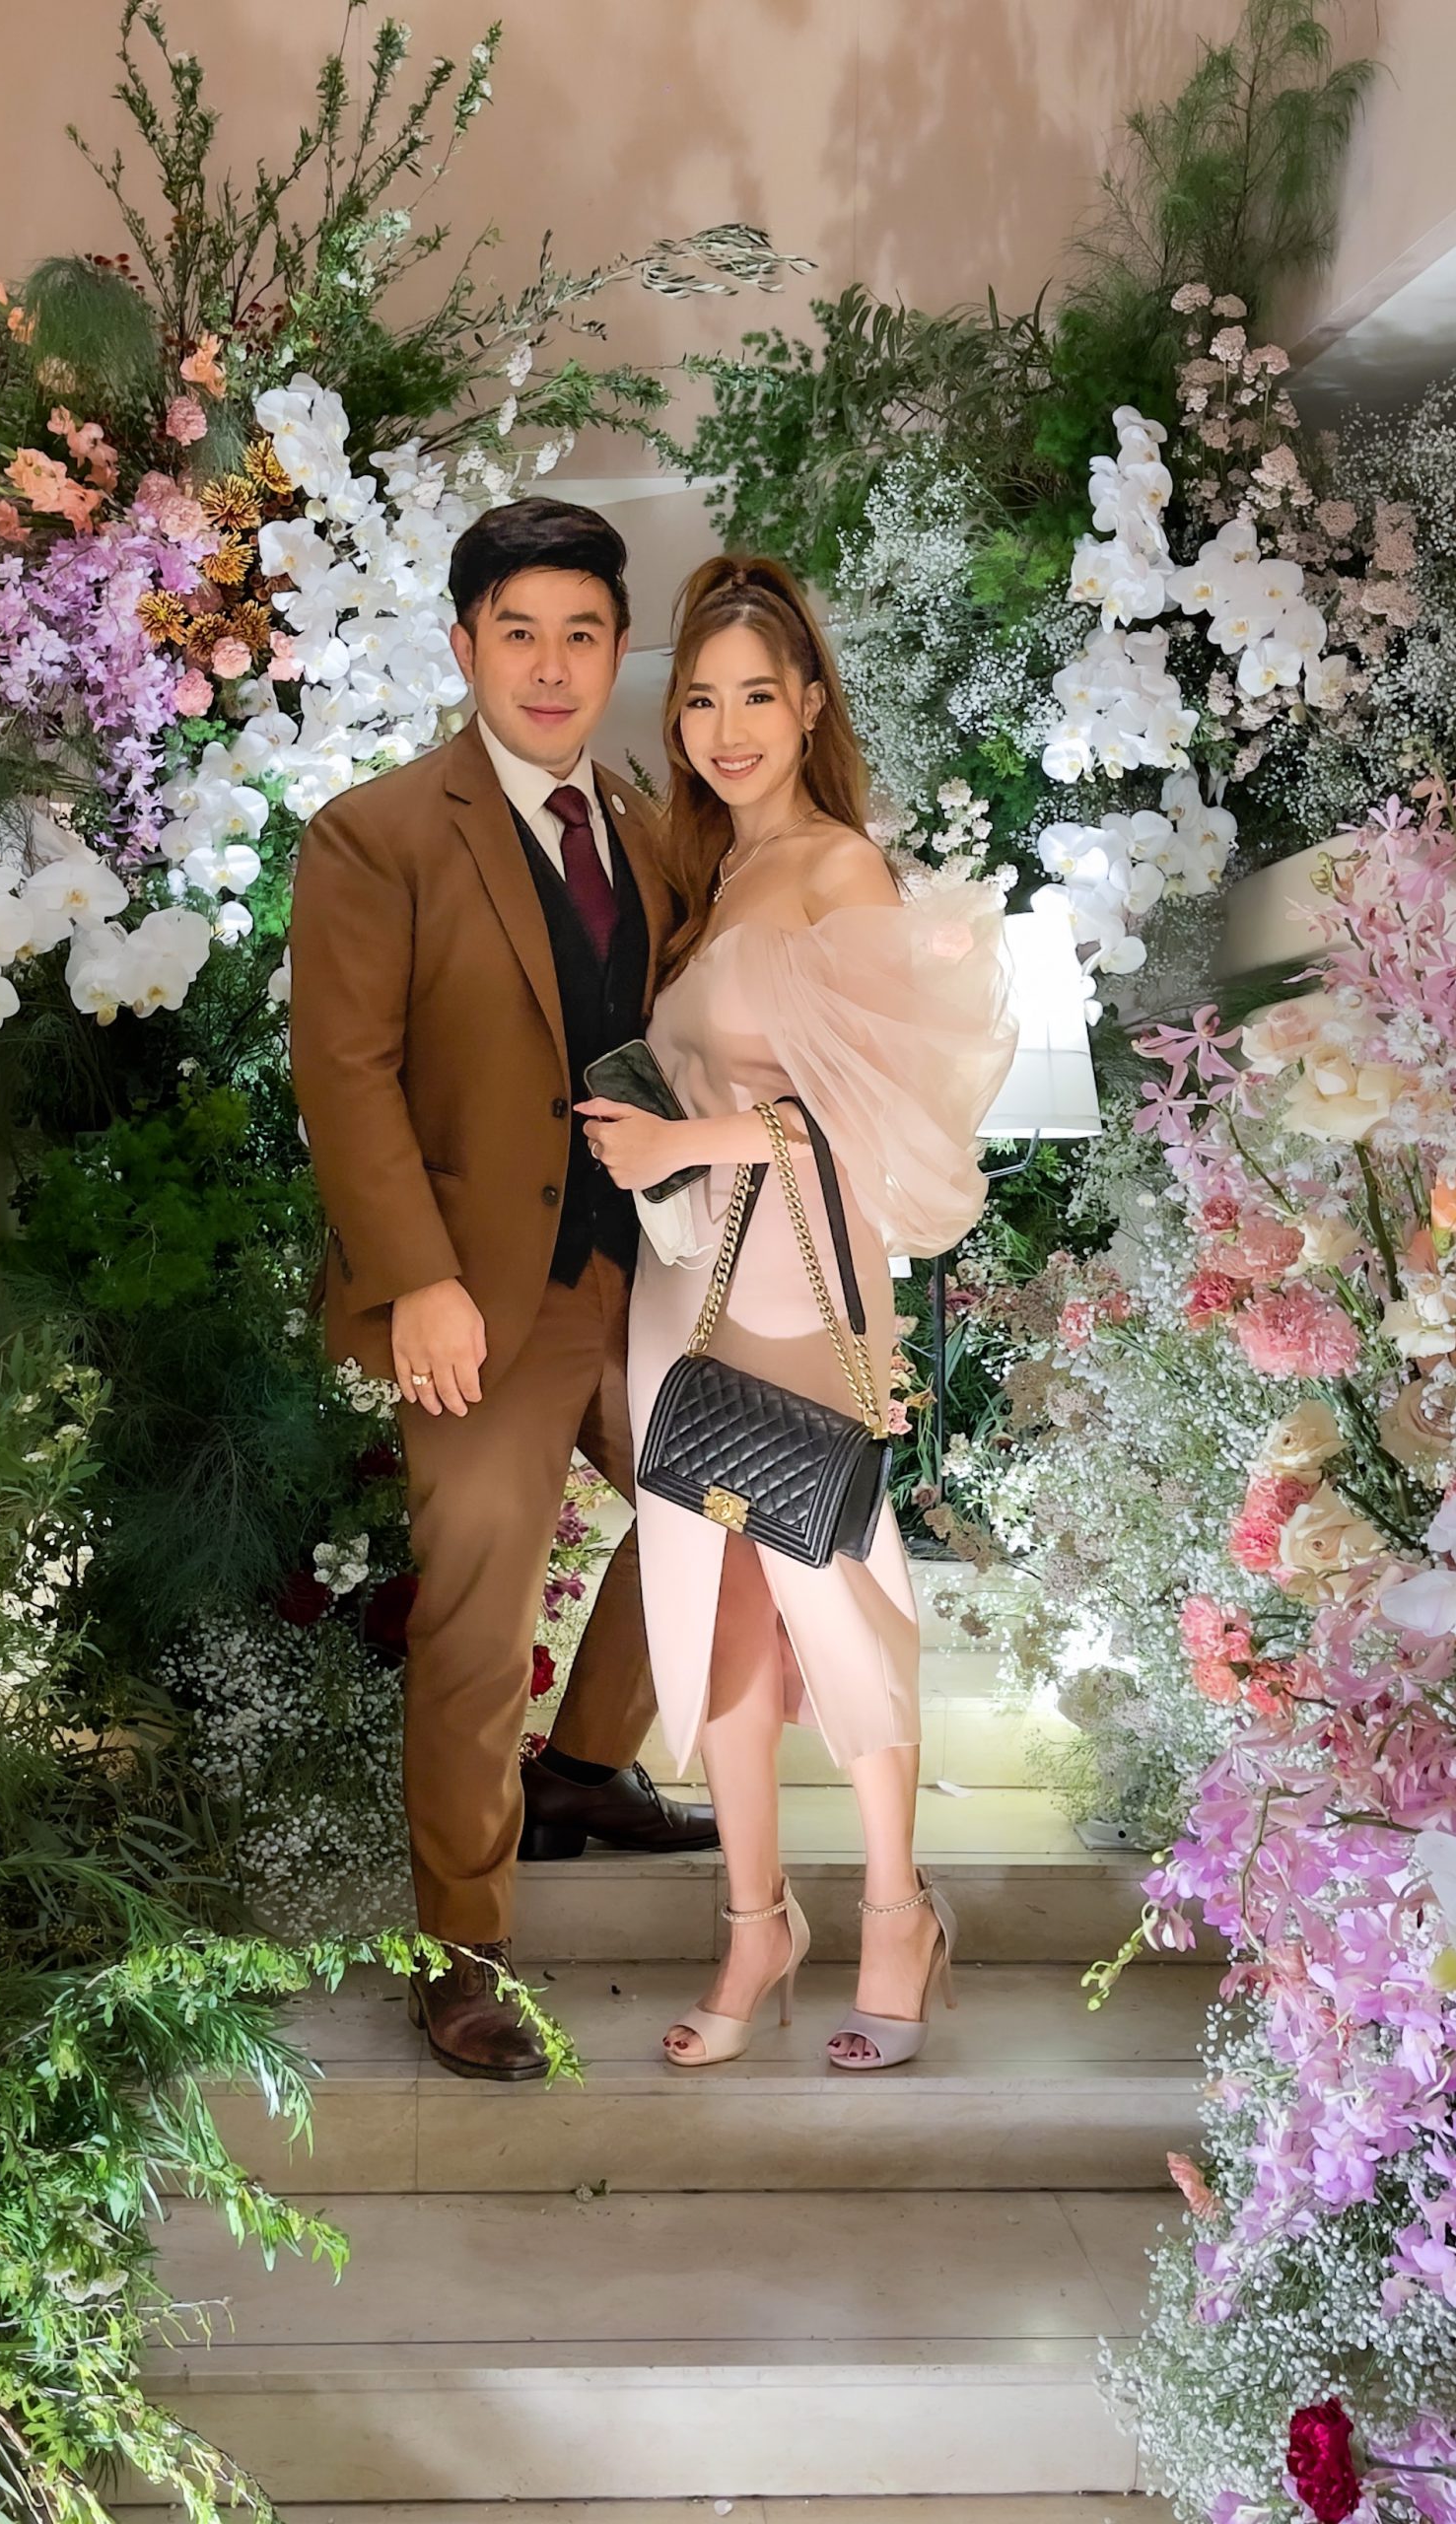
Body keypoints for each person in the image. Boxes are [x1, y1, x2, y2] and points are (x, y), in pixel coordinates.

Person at [289, 498, 718, 2084]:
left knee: (731, 1508)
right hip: (477, 1296)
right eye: (518, 633)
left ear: (619, 651)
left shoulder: (657, 831)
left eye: (580, 635)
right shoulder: (377, 834)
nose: (549, 666)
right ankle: (459, 1952)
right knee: (477, 1615)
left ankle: (583, 1769)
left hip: (646, 1273)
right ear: (465, 644)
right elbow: (345, 1073)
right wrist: (416, 1280)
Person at [577, 555, 1016, 2069]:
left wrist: (682, 1138)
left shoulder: (839, 870)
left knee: (828, 1589)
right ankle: (754, 1924)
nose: (726, 729)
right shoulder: (706, 883)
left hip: (799, 1277)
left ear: (811, 703)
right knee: (708, 1605)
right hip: (686, 1280)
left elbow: (880, 1117)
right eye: (699, 702)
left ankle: (893, 1915)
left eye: (755, 695)